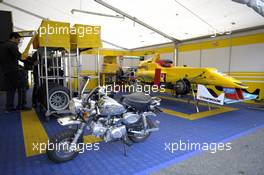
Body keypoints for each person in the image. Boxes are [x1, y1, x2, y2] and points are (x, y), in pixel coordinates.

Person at [0, 32, 31, 112]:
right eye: (18, 40)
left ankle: (9, 107)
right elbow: (19, 56)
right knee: (22, 87)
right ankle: (21, 106)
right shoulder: (12, 45)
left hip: (5, 71)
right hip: (13, 70)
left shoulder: (3, 45)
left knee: (10, 89)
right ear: (13, 38)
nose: (18, 42)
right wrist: (30, 62)